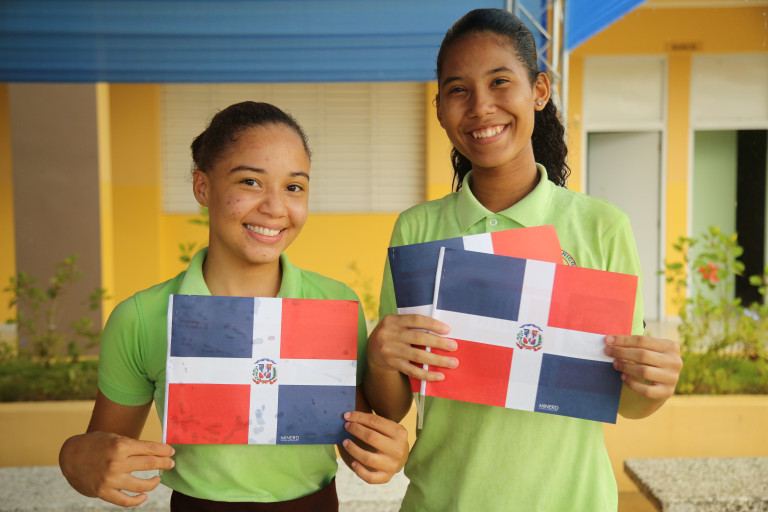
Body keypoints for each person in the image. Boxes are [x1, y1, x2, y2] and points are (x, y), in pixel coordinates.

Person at [364, 8, 682, 512]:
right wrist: (381, 357)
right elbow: (394, 403)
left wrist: (655, 382)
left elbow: (628, 400)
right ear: (440, 108)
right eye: (458, 89)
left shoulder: (602, 227)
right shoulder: (416, 230)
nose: (480, 106)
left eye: (499, 82)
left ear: (539, 90)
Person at [59, 101, 408, 511]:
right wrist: (74, 458)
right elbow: (102, 453)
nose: (275, 207)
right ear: (202, 187)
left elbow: (354, 439)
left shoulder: (335, 303)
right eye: (250, 182)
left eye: (294, 187)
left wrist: (382, 451)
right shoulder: (142, 317)